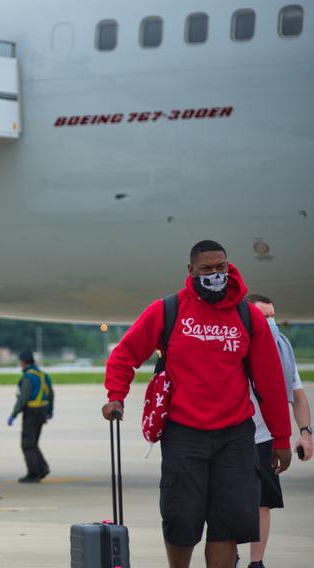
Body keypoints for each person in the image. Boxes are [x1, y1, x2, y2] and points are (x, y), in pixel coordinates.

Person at [102, 241, 292, 568]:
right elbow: (124, 355)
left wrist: (282, 437)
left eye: (221, 268)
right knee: (182, 520)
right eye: (207, 269)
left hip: (235, 436)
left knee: (227, 524)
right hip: (183, 433)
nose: (215, 275)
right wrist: (115, 397)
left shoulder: (248, 317)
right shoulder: (168, 309)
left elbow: (271, 382)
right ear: (191, 271)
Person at [243, 294, 312, 568]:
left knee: (263, 502)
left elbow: (298, 394)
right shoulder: (235, 346)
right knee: (230, 502)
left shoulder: (282, 347)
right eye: (264, 316)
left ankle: (256, 563)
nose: (271, 322)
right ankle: (229, 555)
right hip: (233, 434)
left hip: (267, 437)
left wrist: (305, 432)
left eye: (273, 316)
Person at [7, 350, 54, 483]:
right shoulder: (43, 375)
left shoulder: (28, 377)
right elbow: (51, 394)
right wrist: (50, 410)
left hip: (32, 412)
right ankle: (42, 467)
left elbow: (23, 398)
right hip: (42, 411)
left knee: (27, 444)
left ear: (23, 362)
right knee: (33, 442)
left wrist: (13, 414)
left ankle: (34, 474)